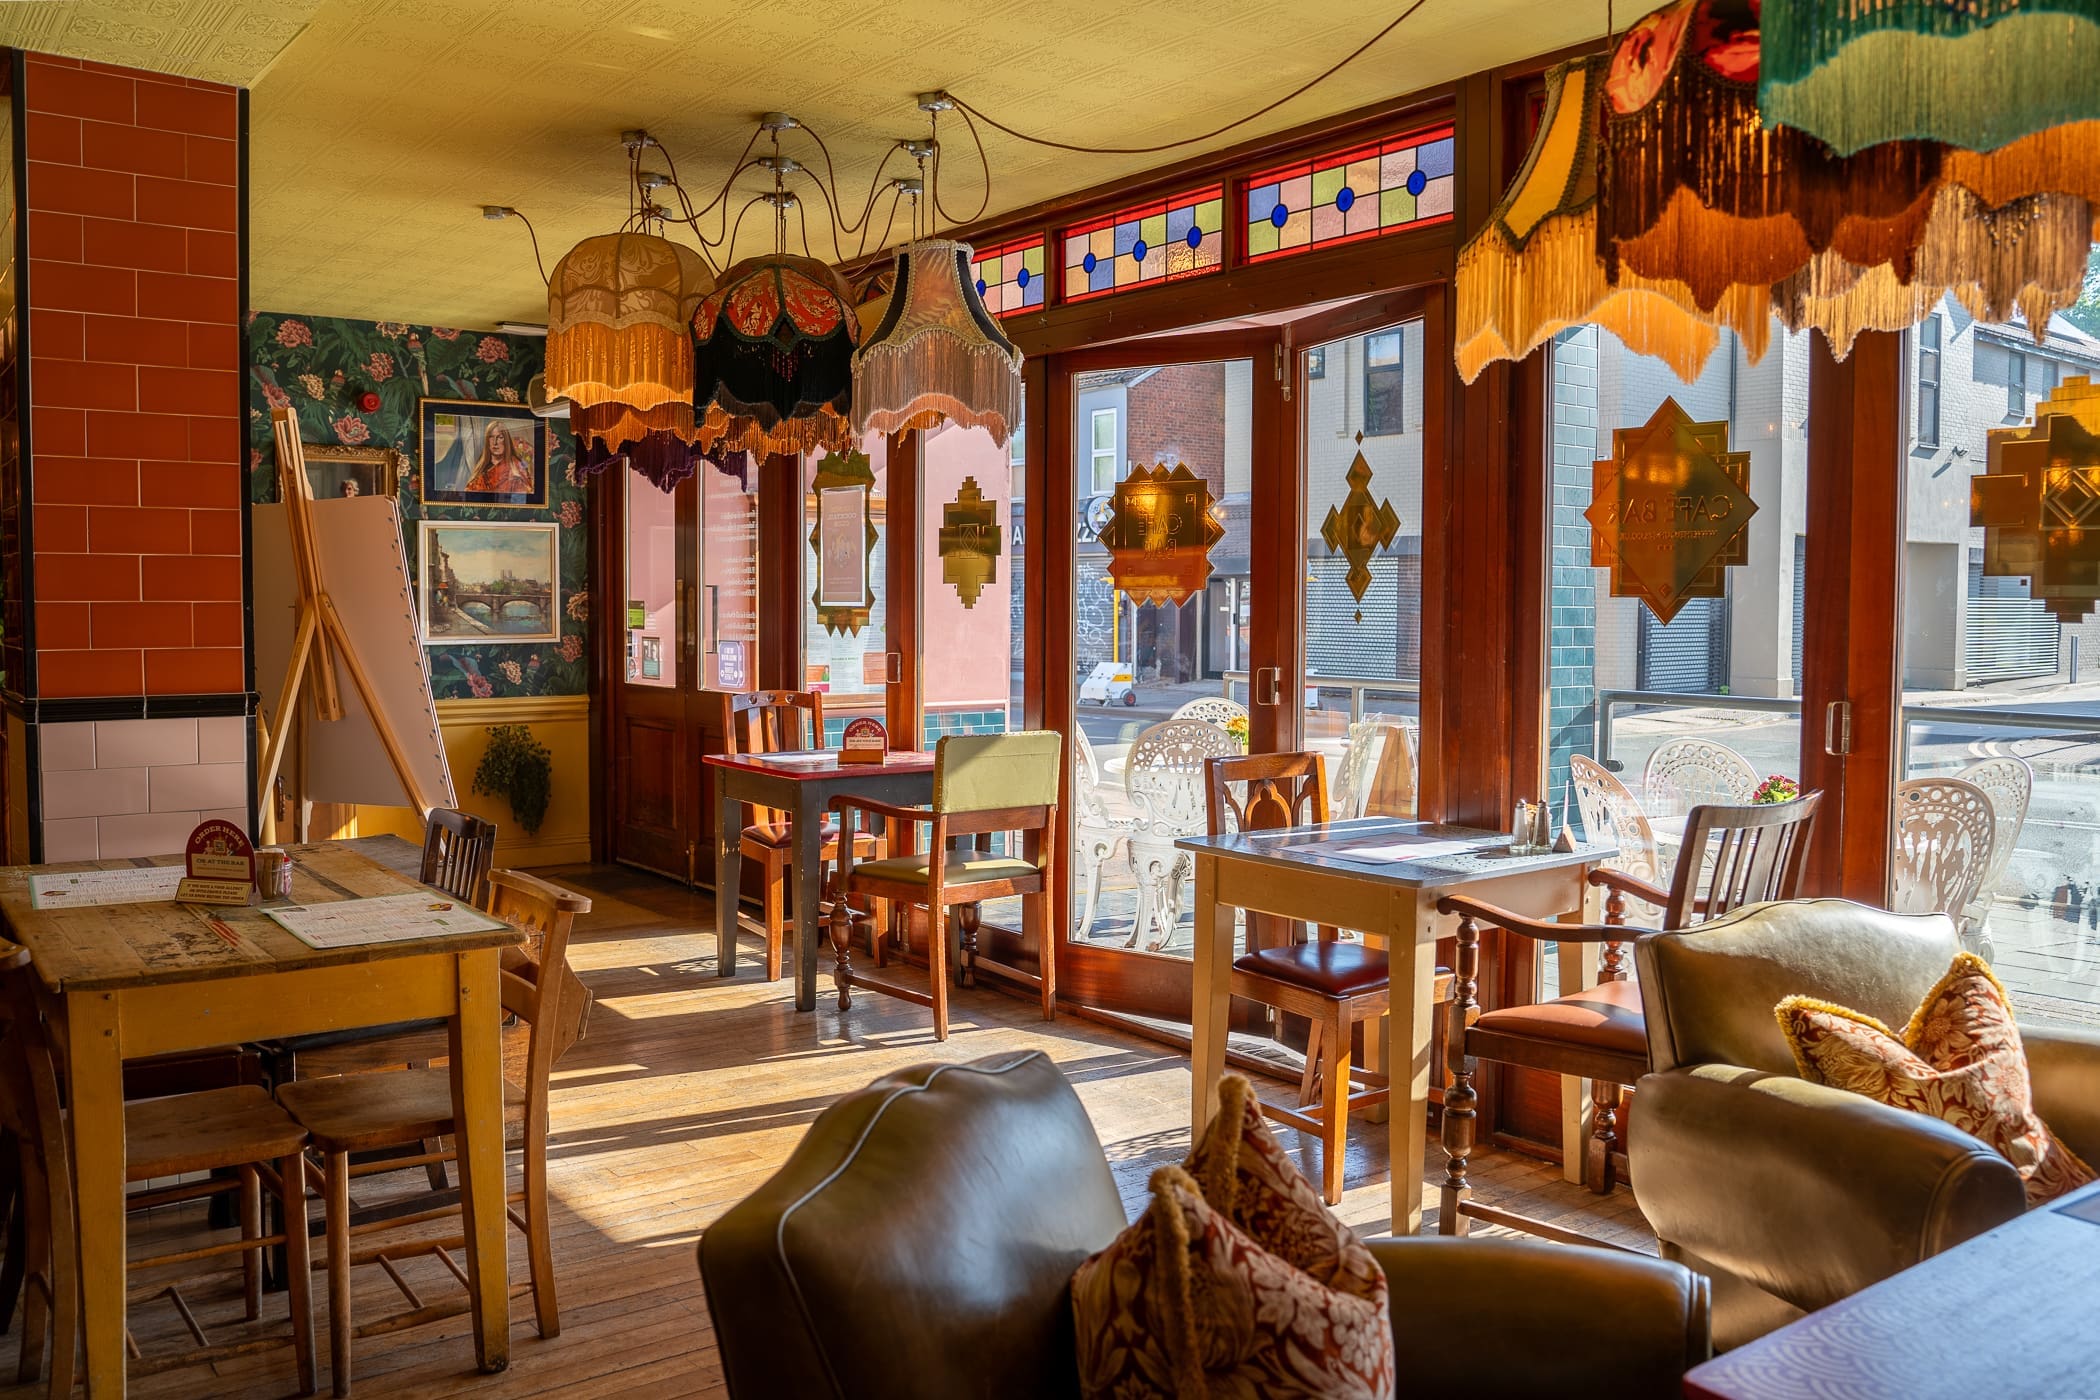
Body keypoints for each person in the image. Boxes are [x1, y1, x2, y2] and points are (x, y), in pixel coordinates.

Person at [463, 422, 536, 495]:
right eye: (491, 437)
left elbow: (526, 494)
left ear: (506, 440)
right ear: (487, 441)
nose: (495, 442)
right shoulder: (481, 468)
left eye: (500, 437)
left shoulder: (517, 467)